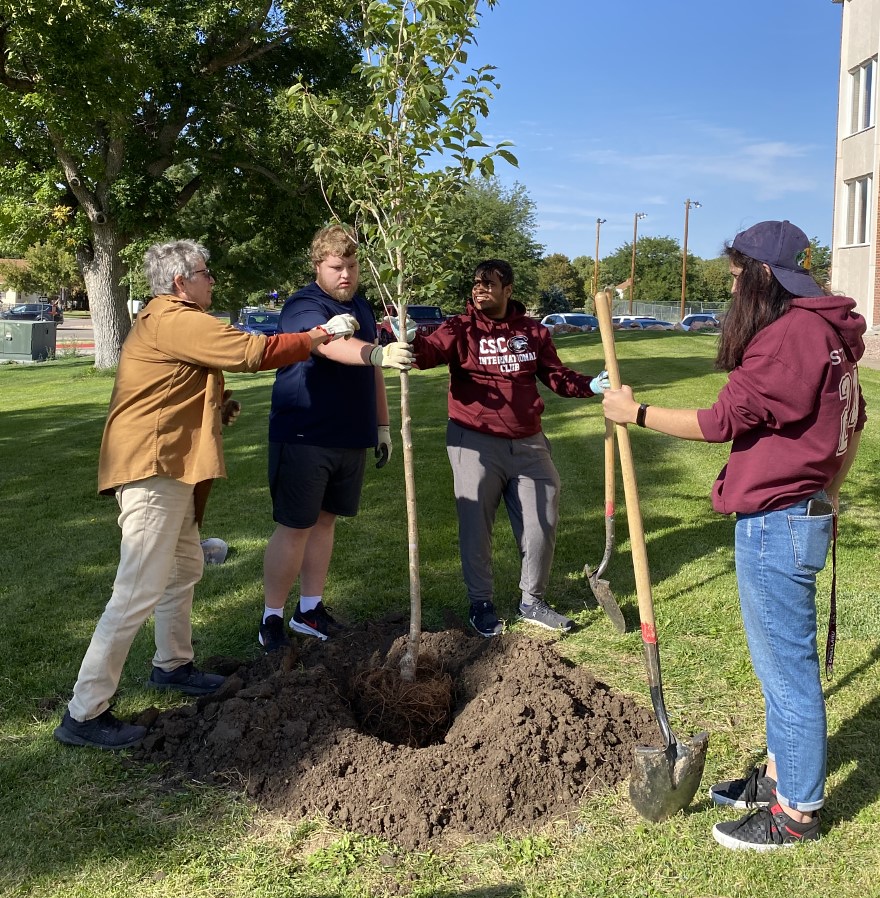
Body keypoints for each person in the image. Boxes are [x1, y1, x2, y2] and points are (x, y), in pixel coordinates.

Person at [602, 220, 866, 850]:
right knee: (781, 663)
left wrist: (633, 412)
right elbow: (851, 426)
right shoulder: (828, 332)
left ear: (763, 274)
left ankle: (795, 813)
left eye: (736, 271)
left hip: (778, 522)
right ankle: (779, 777)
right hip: (798, 512)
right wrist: (828, 487)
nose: (730, 281)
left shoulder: (790, 336)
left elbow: (720, 420)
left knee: (787, 672)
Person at [54, 239, 358, 750]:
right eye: (205, 272)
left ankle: (172, 665)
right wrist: (318, 334)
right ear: (180, 281)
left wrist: (216, 409)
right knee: (136, 589)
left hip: (168, 467)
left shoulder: (167, 319)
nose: (212, 279)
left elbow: (173, 386)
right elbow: (250, 351)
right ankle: (83, 712)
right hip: (153, 470)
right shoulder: (175, 316)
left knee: (183, 569)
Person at [401, 259, 608, 638]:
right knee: (475, 527)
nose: (479, 290)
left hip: (529, 442)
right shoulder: (460, 327)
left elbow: (555, 376)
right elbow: (428, 354)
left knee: (541, 522)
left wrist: (591, 385)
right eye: (475, 284)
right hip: (474, 441)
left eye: (488, 284)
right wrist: (411, 339)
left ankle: (533, 600)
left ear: (508, 289)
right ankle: (481, 604)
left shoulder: (532, 332)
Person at [259, 224, 413, 651]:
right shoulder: (304, 305)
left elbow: (373, 368)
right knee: (295, 526)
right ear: (318, 267)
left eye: (351, 265)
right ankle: (271, 617)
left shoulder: (361, 305)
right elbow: (328, 346)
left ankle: (309, 610)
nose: (345, 274)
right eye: (335, 267)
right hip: (305, 431)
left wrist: (381, 425)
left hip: (350, 434)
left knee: (325, 523)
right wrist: (374, 351)